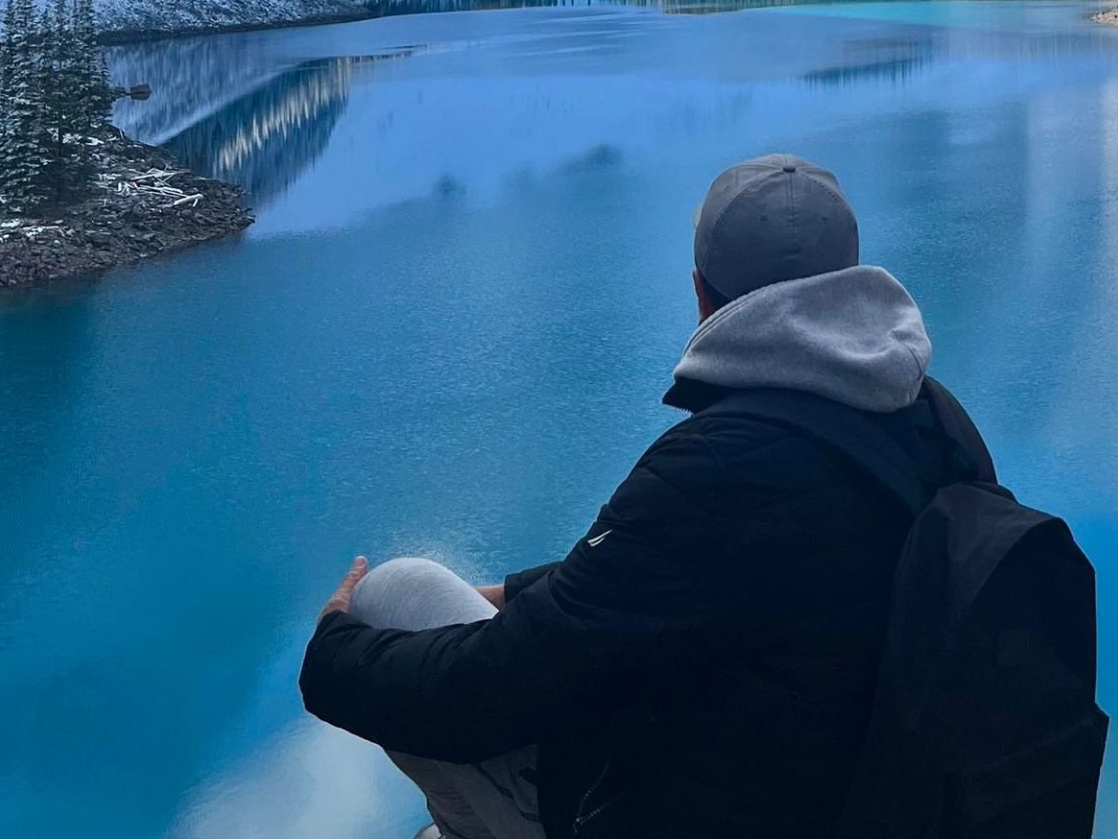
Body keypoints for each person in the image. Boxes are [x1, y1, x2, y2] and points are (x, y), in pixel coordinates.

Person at [299, 153, 996, 839]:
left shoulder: (718, 468)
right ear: (851, 284)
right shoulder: (932, 421)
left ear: (702, 296)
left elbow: (492, 695)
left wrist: (337, 649)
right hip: (871, 793)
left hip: (703, 811)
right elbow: (707, 566)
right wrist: (512, 593)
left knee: (395, 592)